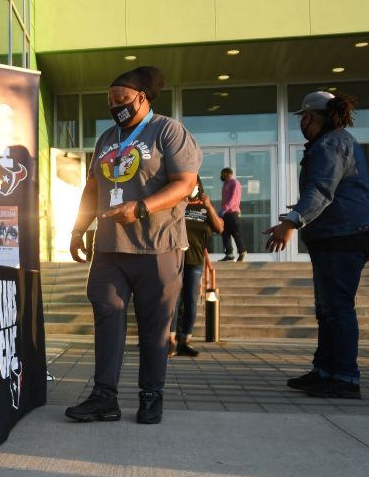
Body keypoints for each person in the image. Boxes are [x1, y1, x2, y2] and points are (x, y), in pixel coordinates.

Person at [65, 66, 201, 425]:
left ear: (143, 97)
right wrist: (79, 228)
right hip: (109, 249)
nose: (115, 106)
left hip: (158, 247)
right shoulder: (107, 137)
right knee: (107, 318)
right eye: (110, 101)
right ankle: (103, 398)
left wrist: (141, 207)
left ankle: (151, 396)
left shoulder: (168, 131)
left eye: (122, 99)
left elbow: (185, 183)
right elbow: (93, 186)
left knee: (154, 328)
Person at [265, 91, 369, 399]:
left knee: (337, 307)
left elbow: (321, 189)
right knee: (328, 307)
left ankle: (344, 378)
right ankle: (325, 371)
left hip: (342, 233)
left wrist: (290, 222)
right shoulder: (339, 141)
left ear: (313, 117)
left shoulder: (330, 144)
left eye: (304, 118)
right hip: (341, 230)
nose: (302, 124)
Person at [172, 177, 224, 357]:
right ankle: (172, 341)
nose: (193, 188)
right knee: (175, 302)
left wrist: (209, 206)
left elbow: (219, 228)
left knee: (191, 302)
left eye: (195, 184)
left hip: (195, 261)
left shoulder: (204, 208)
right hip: (175, 260)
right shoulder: (179, 205)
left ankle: (185, 340)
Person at [218, 167, 247, 261]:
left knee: (236, 233)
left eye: (222, 174)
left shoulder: (234, 183)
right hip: (226, 214)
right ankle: (229, 254)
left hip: (232, 213)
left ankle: (242, 252)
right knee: (225, 234)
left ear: (227, 173)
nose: (221, 176)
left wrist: (224, 209)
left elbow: (233, 199)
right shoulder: (225, 184)